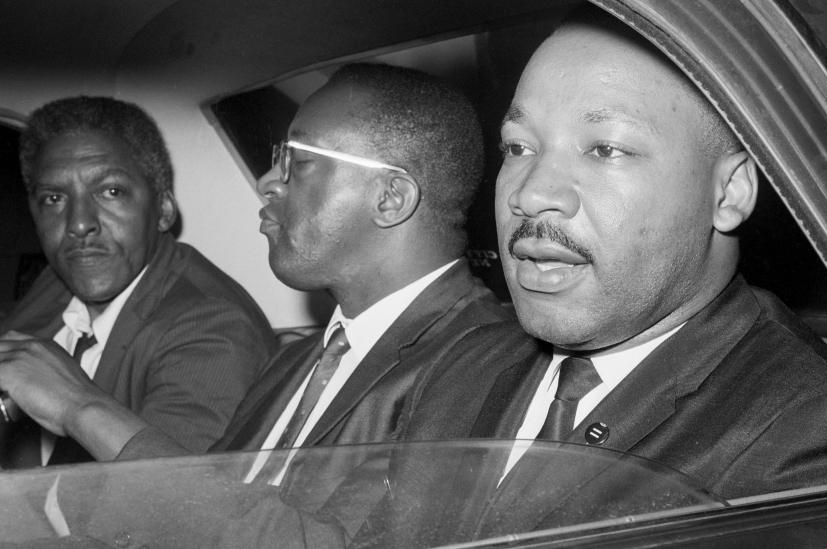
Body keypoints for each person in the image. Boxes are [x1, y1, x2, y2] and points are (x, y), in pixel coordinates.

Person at [365, 7, 827, 545]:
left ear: (727, 193)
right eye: (518, 146)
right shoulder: (465, 362)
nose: (530, 193)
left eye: (605, 149)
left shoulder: (821, 435)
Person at [0, 64, 510, 471]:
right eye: (275, 158)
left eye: (298, 160)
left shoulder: (485, 366)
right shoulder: (298, 362)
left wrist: (77, 406)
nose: (268, 182)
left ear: (391, 197)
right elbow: (214, 494)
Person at [0, 96, 275, 468]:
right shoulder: (62, 279)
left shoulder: (213, 329)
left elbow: (175, 505)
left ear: (162, 210)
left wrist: (75, 403)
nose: (79, 224)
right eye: (53, 198)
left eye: (111, 191)